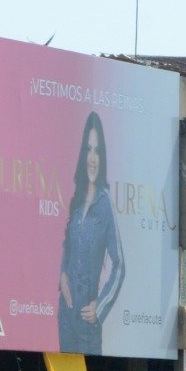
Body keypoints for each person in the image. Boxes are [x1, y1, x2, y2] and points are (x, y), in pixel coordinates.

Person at [58, 111, 126, 355]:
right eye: (88, 149)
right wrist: (62, 275)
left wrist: (101, 306)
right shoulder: (76, 199)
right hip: (65, 317)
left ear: (102, 156)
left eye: (97, 151)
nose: (92, 158)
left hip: (88, 327)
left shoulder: (104, 203)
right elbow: (67, 245)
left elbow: (120, 265)